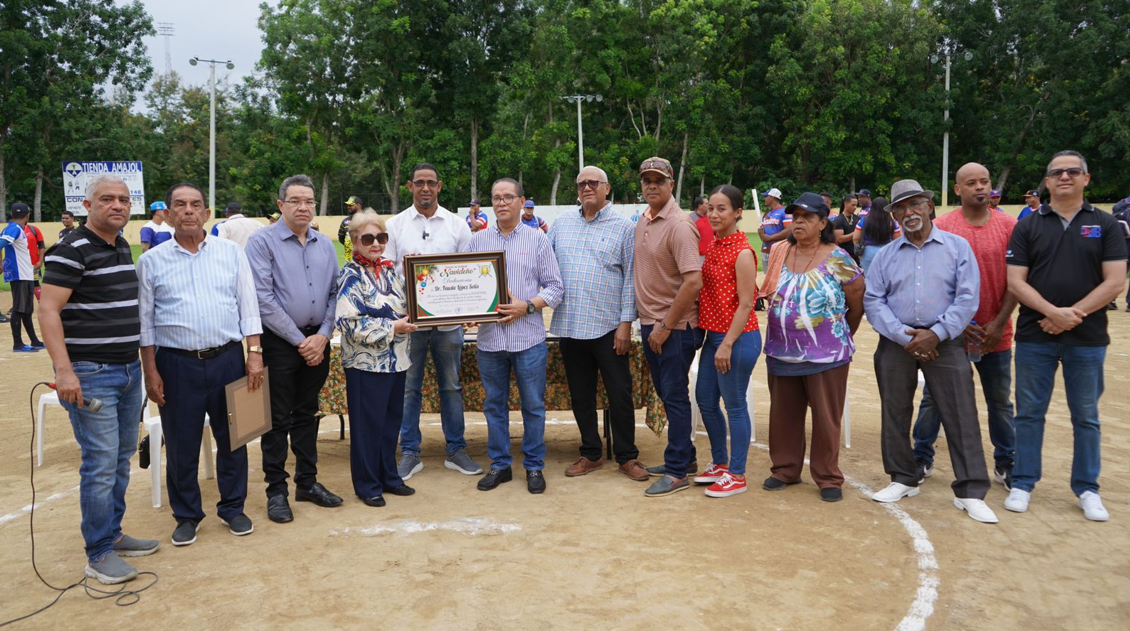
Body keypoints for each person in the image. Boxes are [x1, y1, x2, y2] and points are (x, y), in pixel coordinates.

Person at [37, 174, 157, 584]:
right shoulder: (70, 250)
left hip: (127, 370)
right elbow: (48, 311)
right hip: (92, 373)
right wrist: (64, 371)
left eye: (124, 199)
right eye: (107, 199)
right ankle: (98, 553)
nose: (117, 205)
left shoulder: (120, 244)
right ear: (88, 206)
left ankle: (113, 532)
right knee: (101, 463)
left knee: (121, 456)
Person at [864, 179, 998, 524]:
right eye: (901, 208)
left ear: (929, 206)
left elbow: (968, 297)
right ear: (893, 215)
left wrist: (936, 334)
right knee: (895, 410)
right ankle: (903, 478)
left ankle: (970, 490)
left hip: (946, 340)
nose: (909, 212)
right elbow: (874, 300)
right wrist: (903, 334)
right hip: (898, 342)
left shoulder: (957, 247)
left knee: (960, 412)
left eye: (915, 204)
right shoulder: (885, 256)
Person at [1004, 150, 1127, 521]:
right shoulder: (1027, 225)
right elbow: (1015, 281)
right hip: (1034, 334)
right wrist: (1052, 313)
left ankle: (1087, 488)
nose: (1064, 177)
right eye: (1056, 173)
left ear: (1086, 179)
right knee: (1028, 413)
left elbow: (1115, 281)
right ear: (1047, 180)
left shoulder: (1106, 225)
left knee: (1086, 415)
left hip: (1087, 338)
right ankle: (1023, 482)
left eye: (1073, 172)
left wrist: (1072, 315)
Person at [138, 182, 263, 546]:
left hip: (227, 360)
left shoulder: (230, 253)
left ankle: (233, 507)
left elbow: (249, 308)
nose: (188, 210)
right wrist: (151, 371)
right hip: (176, 365)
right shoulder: (150, 262)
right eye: (180, 205)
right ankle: (187, 515)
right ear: (168, 213)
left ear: (207, 213)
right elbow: (145, 325)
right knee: (181, 444)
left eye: (196, 205)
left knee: (234, 437)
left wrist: (253, 356)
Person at [912, 163, 1020, 489]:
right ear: (957, 190)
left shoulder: (1010, 226)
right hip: (950, 335)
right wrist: (954, 326)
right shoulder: (941, 226)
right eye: (971, 183)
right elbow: (930, 281)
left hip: (995, 332)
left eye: (984, 181)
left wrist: (998, 323)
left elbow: (1018, 281)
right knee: (934, 397)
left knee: (999, 400)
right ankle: (921, 456)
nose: (979, 187)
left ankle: (1007, 460)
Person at [245, 174, 343, 523]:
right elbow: (263, 298)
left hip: (318, 341)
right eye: (296, 201)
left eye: (309, 201)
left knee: (307, 413)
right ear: (280, 205)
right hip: (281, 343)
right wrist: (301, 341)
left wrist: (323, 334)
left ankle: (308, 481)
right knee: (276, 419)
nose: (303, 207)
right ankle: (276, 491)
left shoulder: (325, 244)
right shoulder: (262, 243)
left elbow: (335, 293)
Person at [763, 192, 864, 503]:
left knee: (825, 417)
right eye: (796, 216)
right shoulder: (780, 251)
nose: (799, 222)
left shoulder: (838, 257)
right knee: (784, 414)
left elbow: (857, 301)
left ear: (823, 222)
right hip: (781, 349)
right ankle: (786, 469)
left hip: (827, 354)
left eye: (807, 217)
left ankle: (827, 476)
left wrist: (841, 334)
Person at [383, 163, 482, 480]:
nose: (425, 188)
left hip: (448, 326)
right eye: (419, 183)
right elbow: (388, 273)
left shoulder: (457, 226)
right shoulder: (395, 225)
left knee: (451, 387)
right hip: (409, 324)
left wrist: (468, 310)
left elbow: (467, 271)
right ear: (410, 186)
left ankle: (455, 449)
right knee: (409, 389)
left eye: (431, 183)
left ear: (439, 186)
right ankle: (410, 452)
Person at [549, 166, 646, 482]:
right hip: (570, 326)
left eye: (593, 183)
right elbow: (542, 265)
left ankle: (627, 456)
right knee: (581, 395)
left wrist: (624, 323)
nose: (587, 187)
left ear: (607, 188)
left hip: (608, 328)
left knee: (620, 393)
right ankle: (591, 453)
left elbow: (631, 277)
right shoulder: (562, 225)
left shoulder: (623, 227)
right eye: (581, 183)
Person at [469, 178, 564, 494]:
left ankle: (534, 466)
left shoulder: (537, 239)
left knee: (533, 405)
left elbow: (555, 288)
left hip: (528, 340)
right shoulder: (478, 241)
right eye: (496, 198)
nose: (501, 203)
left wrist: (527, 306)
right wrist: (467, 312)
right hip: (490, 341)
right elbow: (468, 288)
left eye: (508, 197)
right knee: (494, 405)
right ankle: (500, 465)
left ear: (522, 201)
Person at [335, 210, 418, 507]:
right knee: (367, 426)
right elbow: (347, 322)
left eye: (381, 237)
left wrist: (422, 274)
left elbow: (413, 302)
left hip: (396, 359)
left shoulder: (390, 271)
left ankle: (389, 477)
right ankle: (368, 484)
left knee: (389, 423)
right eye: (368, 238)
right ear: (355, 241)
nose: (376, 244)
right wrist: (391, 327)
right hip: (366, 363)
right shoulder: (350, 275)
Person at [633, 157, 704, 497]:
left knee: (674, 397)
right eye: (646, 180)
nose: (651, 185)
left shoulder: (678, 224)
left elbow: (692, 282)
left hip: (673, 327)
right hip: (654, 325)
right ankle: (685, 458)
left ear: (671, 183)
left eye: (658, 180)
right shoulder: (645, 220)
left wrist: (664, 325)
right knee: (667, 394)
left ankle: (677, 471)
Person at [693, 184, 761, 498]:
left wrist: (727, 343)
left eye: (723, 209)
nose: (715, 214)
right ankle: (721, 463)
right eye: (711, 207)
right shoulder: (716, 245)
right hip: (715, 337)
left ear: (737, 213)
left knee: (734, 406)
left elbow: (746, 304)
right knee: (705, 400)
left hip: (738, 337)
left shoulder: (743, 252)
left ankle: (737, 474)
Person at [2, 203, 42, 351]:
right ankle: (17, 343)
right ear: (27, 216)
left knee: (27, 310)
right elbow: (1, 243)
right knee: (19, 309)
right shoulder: (15, 228)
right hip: (19, 274)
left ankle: (34, 341)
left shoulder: (14, 228)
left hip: (25, 273)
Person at [852, 196, 900, 272]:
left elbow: (855, 238)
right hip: (887, 252)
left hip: (868, 253)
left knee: (869, 280)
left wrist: (859, 250)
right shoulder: (892, 222)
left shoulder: (863, 220)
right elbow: (898, 241)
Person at [756, 187, 790, 257]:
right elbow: (763, 236)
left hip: (780, 251)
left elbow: (789, 230)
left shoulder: (785, 212)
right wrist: (761, 234)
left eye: (766, 196)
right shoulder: (766, 214)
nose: (764, 199)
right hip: (766, 251)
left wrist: (770, 237)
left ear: (772, 197)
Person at [690, 195, 712, 259]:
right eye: (706, 204)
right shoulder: (691, 219)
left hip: (711, 254)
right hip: (697, 256)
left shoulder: (710, 217)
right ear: (700, 206)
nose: (709, 205)